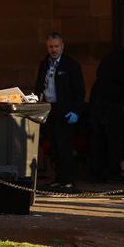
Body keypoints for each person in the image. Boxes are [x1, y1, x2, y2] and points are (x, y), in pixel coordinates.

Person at [89, 39, 124, 183]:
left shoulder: (110, 58)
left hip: (96, 103)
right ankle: (113, 173)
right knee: (115, 140)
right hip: (112, 105)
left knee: (98, 140)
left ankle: (97, 173)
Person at [34, 32, 85, 189]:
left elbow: (79, 90)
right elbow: (39, 85)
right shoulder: (44, 64)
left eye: (56, 46)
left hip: (65, 110)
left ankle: (67, 179)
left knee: (64, 145)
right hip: (49, 109)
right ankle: (58, 177)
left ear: (62, 46)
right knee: (53, 145)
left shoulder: (71, 65)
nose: (53, 50)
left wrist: (76, 110)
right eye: (51, 47)